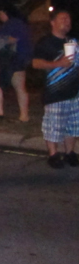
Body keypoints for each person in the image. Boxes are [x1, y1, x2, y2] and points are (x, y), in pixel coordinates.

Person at [31, 9, 79, 169]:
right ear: (53, 22)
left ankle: (70, 153)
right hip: (55, 92)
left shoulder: (73, 42)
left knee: (73, 125)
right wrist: (58, 64)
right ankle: (53, 154)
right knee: (54, 125)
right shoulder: (46, 42)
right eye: (63, 18)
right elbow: (35, 63)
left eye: (69, 19)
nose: (67, 22)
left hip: (75, 92)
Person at [0, 5, 32, 122]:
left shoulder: (13, 24)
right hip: (17, 58)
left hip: (10, 58)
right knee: (19, 86)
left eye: (0, 13)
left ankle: (0, 109)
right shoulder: (18, 24)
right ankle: (23, 115)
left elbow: (14, 38)